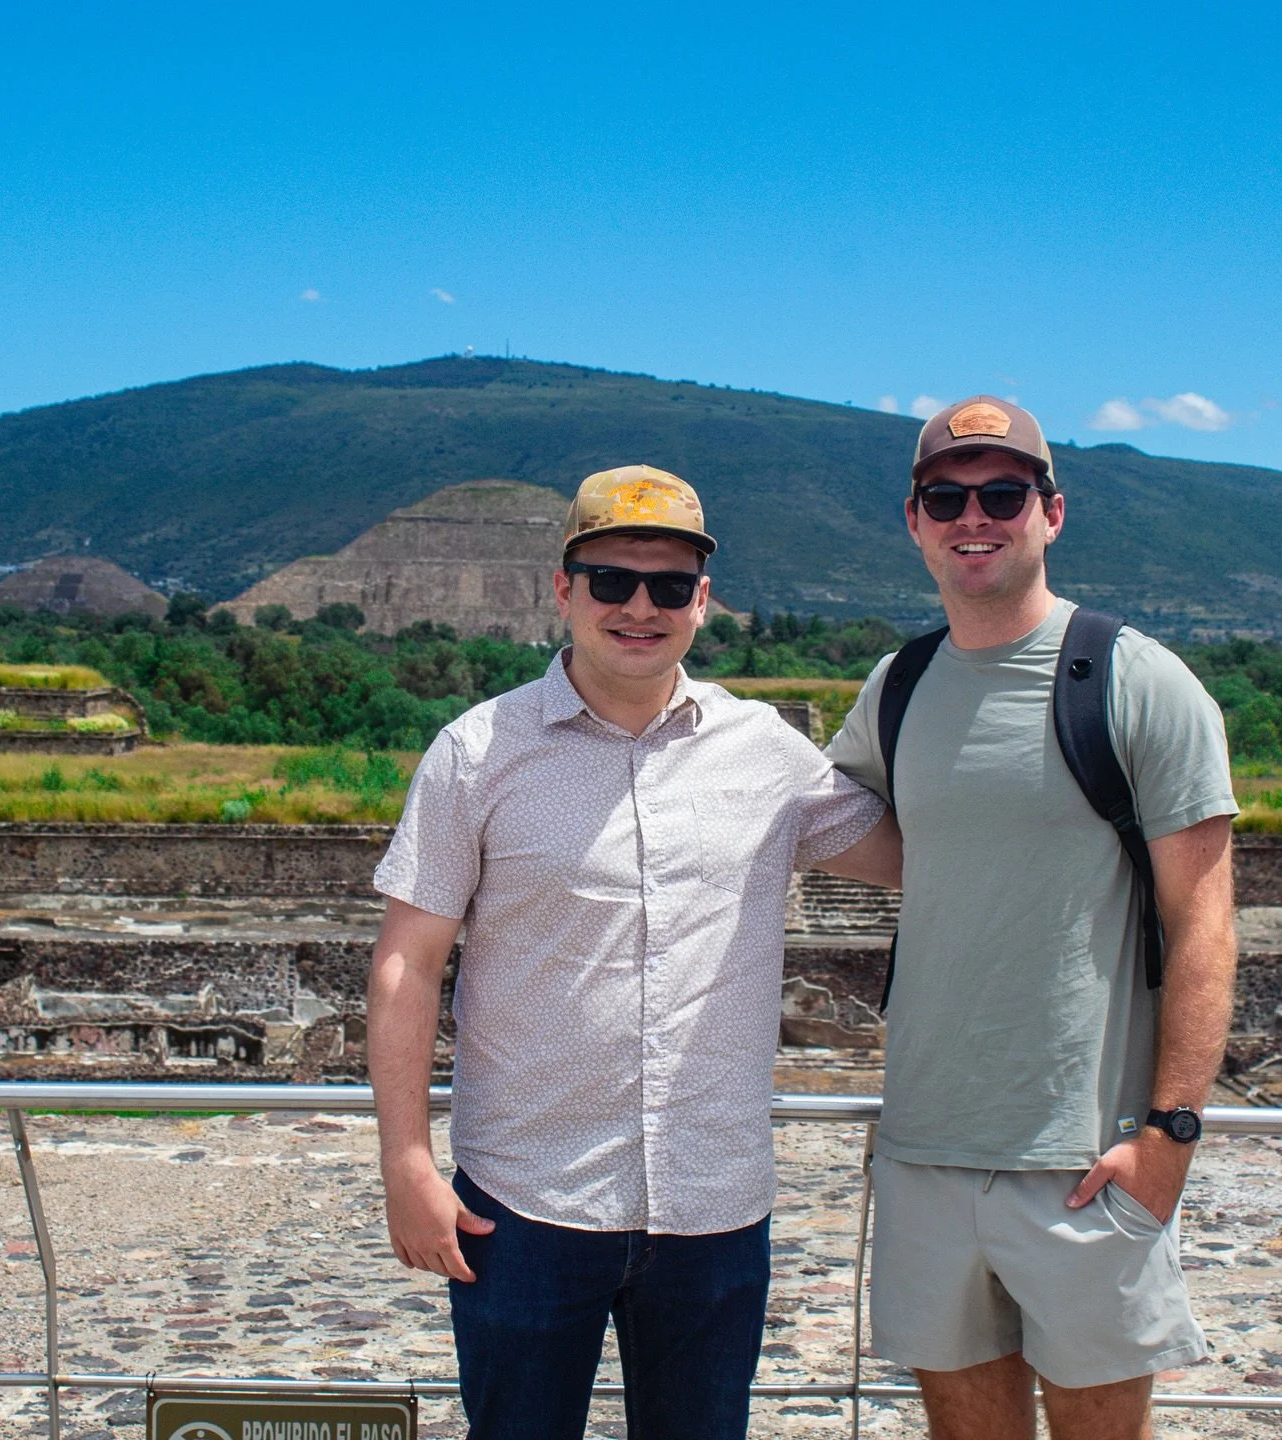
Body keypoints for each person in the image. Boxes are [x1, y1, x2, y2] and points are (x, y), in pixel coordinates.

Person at [367, 464, 901, 1440]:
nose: (640, 606)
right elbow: (407, 963)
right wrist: (406, 1163)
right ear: (563, 589)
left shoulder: (768, 752)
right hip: (525, 1201)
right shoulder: (477, 753)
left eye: (668, 583)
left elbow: (918, 858)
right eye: (612, 579)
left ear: (703, 599)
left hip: (713, 1203)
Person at [826, 397, 1237, 1440]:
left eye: (1003, 494)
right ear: (914, 521)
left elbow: (1204, 923)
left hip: (1086, 1157)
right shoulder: (897, 686)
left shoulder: (1138, 681)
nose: (974, 517)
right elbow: (838, 824)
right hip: (925, 1151)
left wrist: (1170, 1137)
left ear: (1051, 512)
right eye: (946, 497)